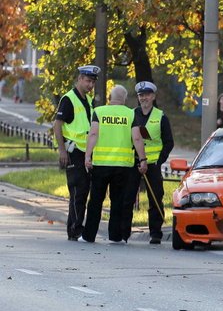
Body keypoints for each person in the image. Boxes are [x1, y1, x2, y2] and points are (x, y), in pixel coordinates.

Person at [81, 85, 147, 244]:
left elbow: (94, 134)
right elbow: (137, 139)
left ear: (110, 97)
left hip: (101, 164)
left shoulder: (99, 112)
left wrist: (87, 155)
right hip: (123, 166)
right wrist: (143, 160)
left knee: (96, 200)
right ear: (124, 98)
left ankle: (89, 235)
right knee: (117, 201)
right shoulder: (131, 114)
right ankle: (116, 235)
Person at [121, 81, 175, 244]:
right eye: (140, 95)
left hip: (152, 164)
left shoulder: (161, 117)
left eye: (146, 95)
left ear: (153, 97)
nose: (143, 98)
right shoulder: (131, 114)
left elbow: (168, 142)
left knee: (155, 197)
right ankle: (124, 232)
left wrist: (159, 161)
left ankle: (156, 233)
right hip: (133, 162)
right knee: (128, 197)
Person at [53, 65, 98, 241]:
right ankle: (75, 229)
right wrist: (62, 150)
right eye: (88, 81)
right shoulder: (69, 99)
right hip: (74, 152)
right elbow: (57, 125)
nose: (90, 85)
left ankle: (76, 228)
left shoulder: (87, 99)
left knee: (83, 191)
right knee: (78, 192)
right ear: (79, 79)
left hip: (86, 152)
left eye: (93, 82)